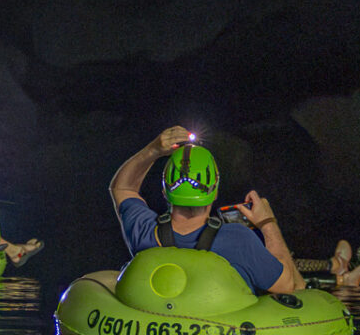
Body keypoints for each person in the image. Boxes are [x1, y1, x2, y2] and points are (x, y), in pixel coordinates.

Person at [109, 126, 304, 296]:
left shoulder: (145, 232)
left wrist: (154, 149)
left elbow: (122, 188)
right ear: (215, 190)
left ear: (165, 191)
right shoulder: (238, 240)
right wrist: (267, 222)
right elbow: (290, 286)